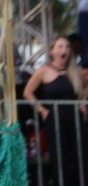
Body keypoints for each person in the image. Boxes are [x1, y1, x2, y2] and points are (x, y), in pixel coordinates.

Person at [23, 35, 87, 186]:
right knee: (60, 157)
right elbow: (27, 92)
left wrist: (83, 103)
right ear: (52, 51)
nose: (64, 49)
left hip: (76, 119)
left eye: (67, 47)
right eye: (60, 46)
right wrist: (42, 110)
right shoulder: (43, 70)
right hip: (55, 120)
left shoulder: (75, 71)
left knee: (81, 156)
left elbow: (85, 87)